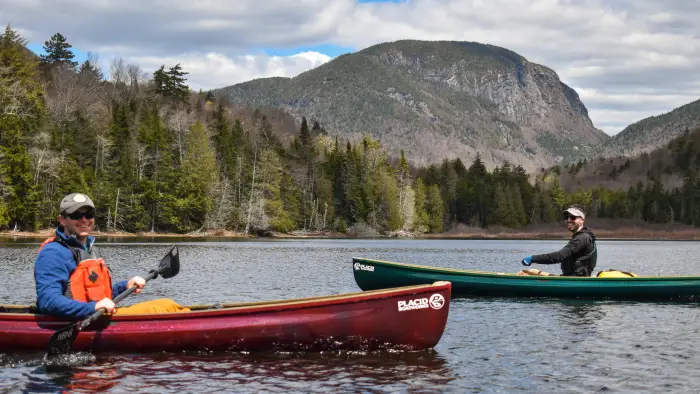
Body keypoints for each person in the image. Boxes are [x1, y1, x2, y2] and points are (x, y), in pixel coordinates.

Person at [34, 192, 189, 319]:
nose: (84, 219)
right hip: (81, 320)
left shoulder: (90, 249)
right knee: (162, 309)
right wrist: (93, 308)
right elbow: (48, 301)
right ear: (62, 220)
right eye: (76, 215)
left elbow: (101, 295)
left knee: (167, 304)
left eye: (89, 214)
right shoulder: (53, 253)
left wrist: (125, 286)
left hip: (98, 316)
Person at [519, 205, 597, 277]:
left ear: (582, 220)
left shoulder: (581, 238)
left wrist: (532, 258)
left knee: (527, 273)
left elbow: (559, 256)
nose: (569, 220)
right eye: (567, 217)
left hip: (576, 279)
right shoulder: (582, 236)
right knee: (532, 271)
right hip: (570, 276)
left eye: (573, 217)